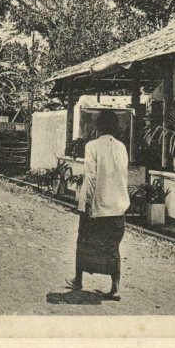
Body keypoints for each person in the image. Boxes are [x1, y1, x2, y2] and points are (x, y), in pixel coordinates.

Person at [67, 109, 130, 300]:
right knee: (113, 247)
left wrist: (88, 205)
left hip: (97, 204)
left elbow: (91, 178)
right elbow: (123, 175)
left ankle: (79, 280)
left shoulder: (92, 146)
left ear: (98, 126)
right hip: (117, 205)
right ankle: (116, 288)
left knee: (84, 241)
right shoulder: (121, 147)